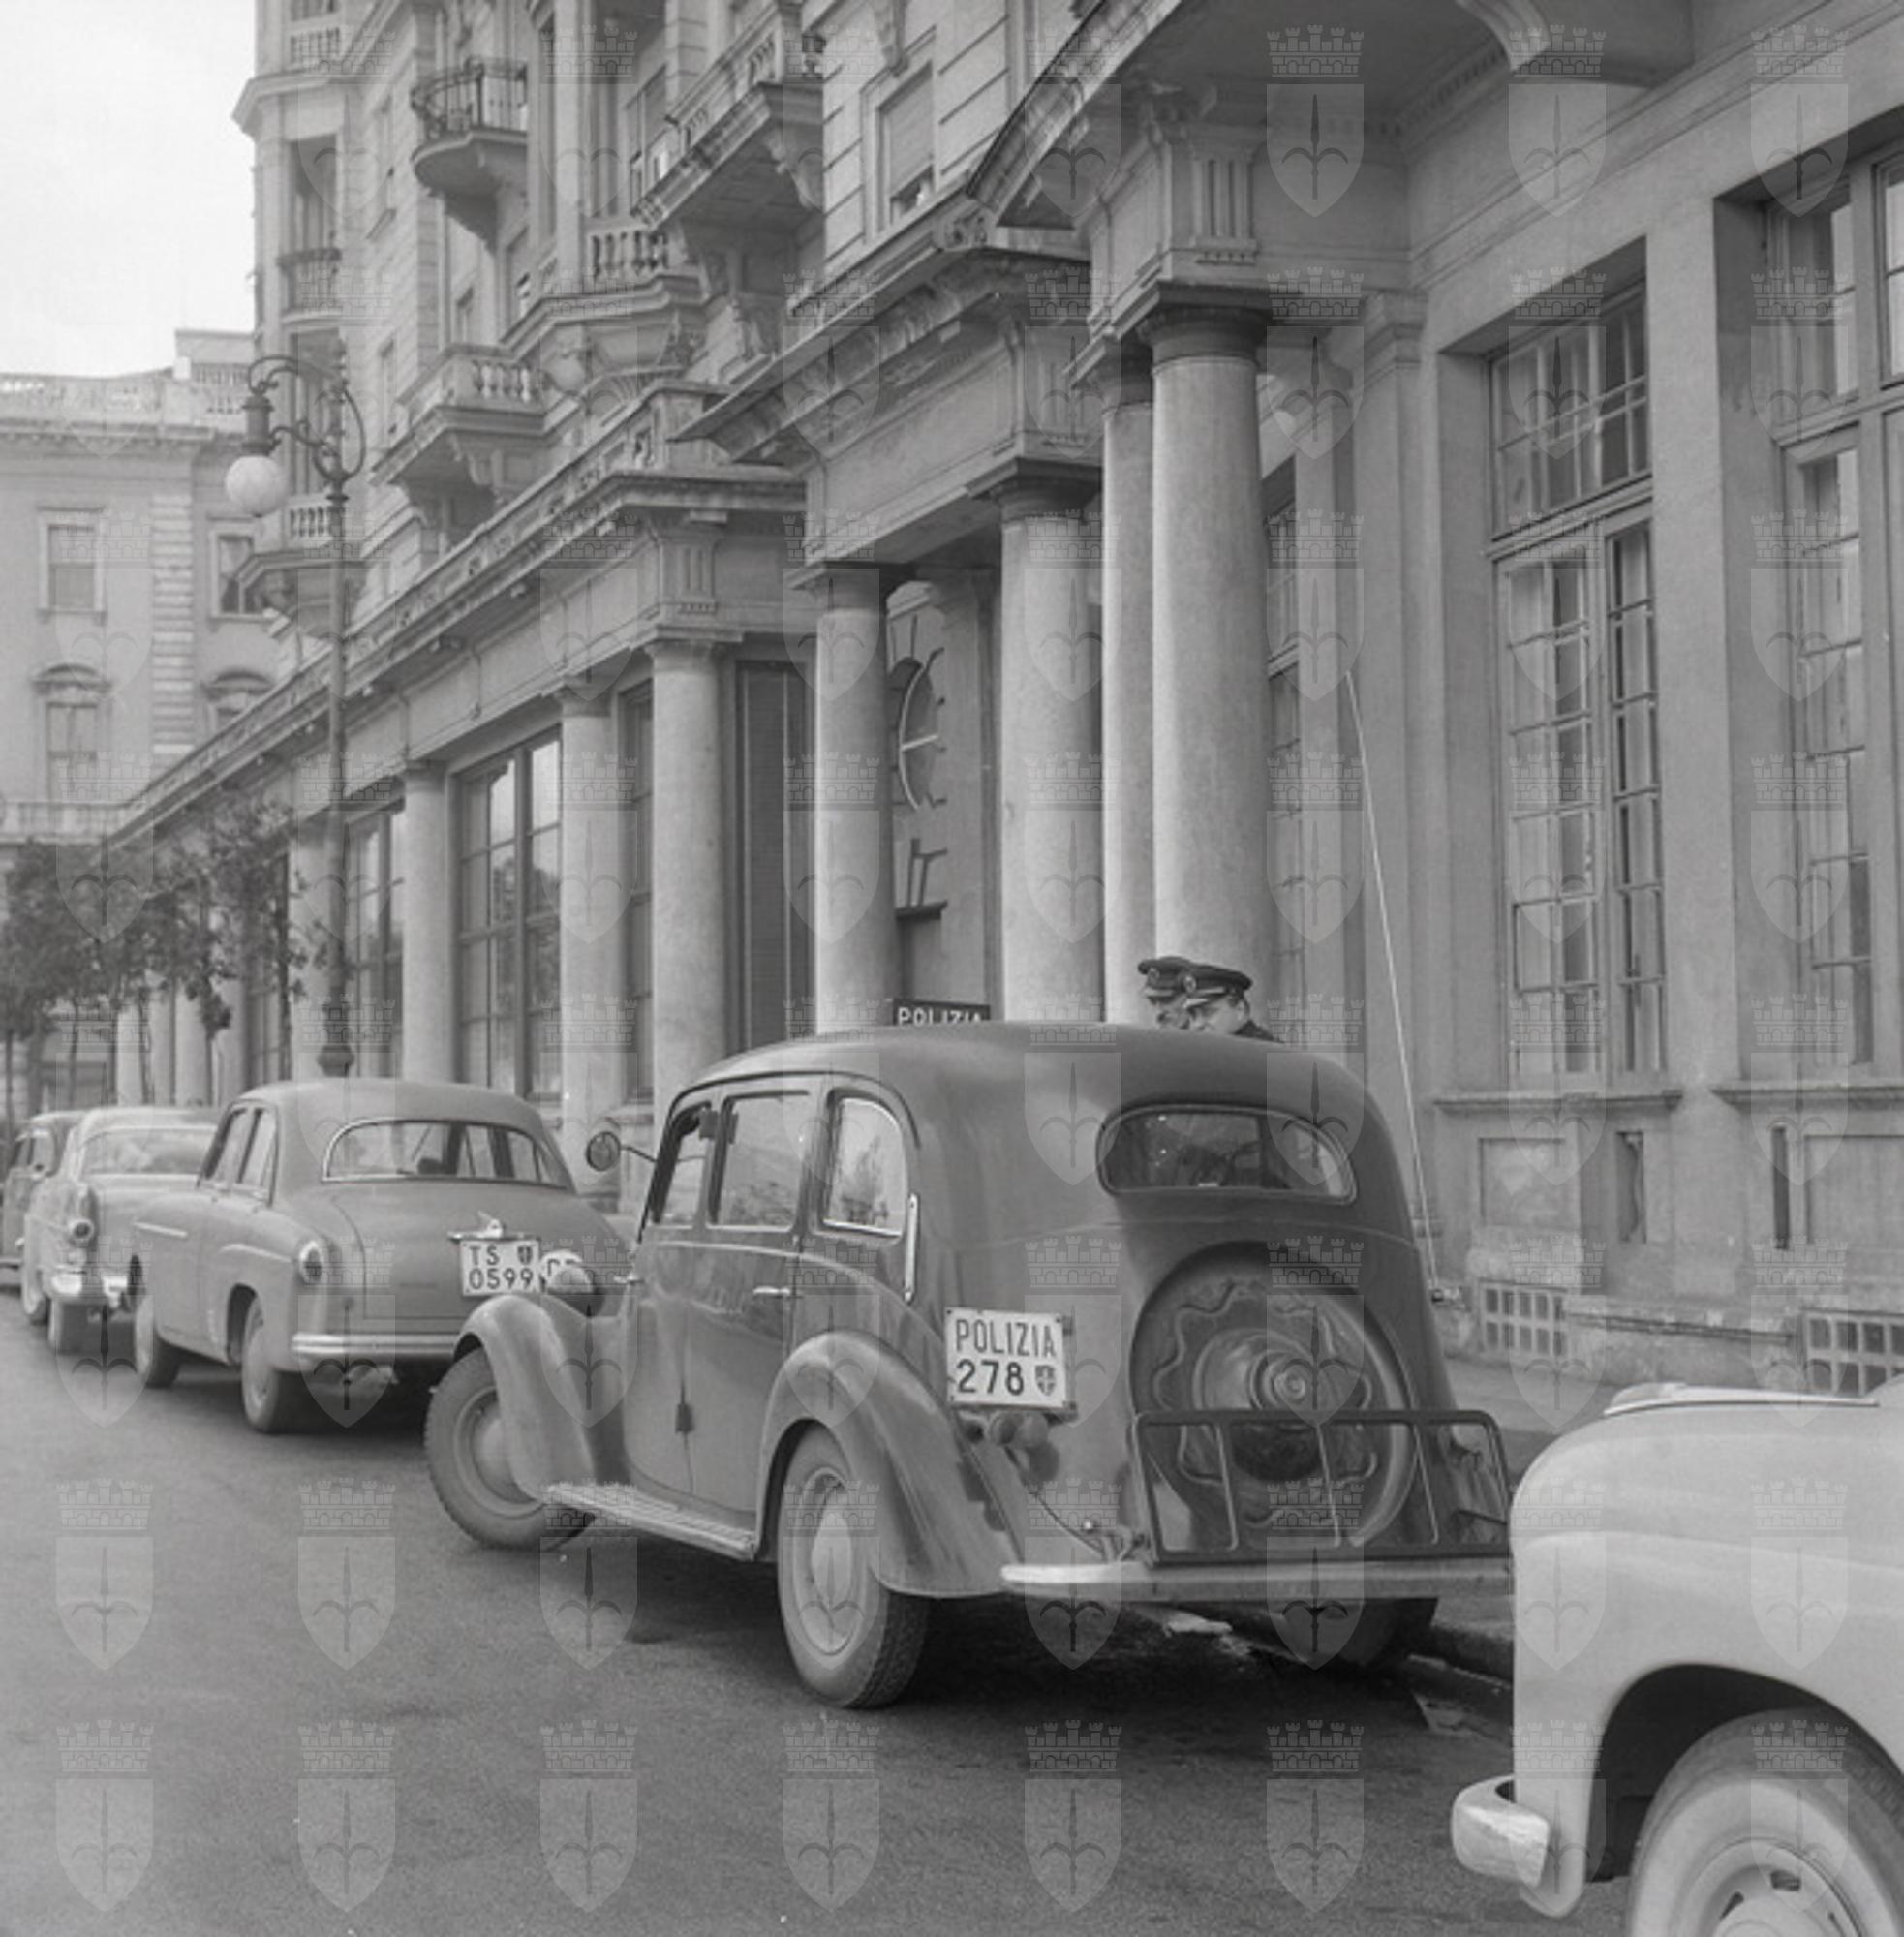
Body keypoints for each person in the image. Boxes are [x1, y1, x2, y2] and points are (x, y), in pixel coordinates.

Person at [1138, 956, 1278, 1039]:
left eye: (1208, 1013)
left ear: (1239, 1010)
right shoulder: (1214, 1052)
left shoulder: (1264, 1054)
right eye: (1193, 1015)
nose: (1197, 1024)